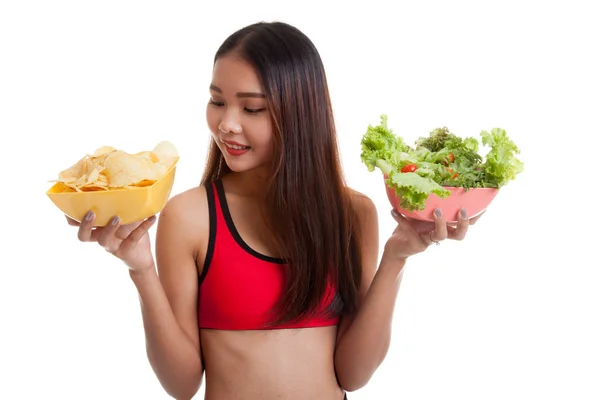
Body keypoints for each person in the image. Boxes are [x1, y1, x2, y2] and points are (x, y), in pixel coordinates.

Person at [67, 21, 481, 400]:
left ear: (299, 113)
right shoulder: (191, 216)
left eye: (251, 108)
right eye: (217, 101)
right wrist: (141, 270)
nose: (226, 123)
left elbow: (353, 374)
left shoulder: (352, 214)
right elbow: (182, 384)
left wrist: (397, 258)